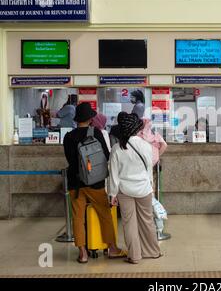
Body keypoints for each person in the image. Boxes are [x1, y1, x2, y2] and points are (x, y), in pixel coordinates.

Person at [63, 102, 126, 263]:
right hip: (95, 182)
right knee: (105, 213)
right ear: (91, 119)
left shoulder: (68, 136)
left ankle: (83, 253)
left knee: (77, 218)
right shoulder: (96, 132)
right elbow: (106, 154)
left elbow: (70, 160)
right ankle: (112, 248)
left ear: (77, 119)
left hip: (75, 184)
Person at [108, 112, 162, 264]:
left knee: (128, 223)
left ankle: (135, 256)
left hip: (124, 191)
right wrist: (150, 185)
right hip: (144, 189)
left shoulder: (116, 148)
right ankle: (153, 252)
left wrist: (112, 194)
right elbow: (149, 169)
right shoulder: (146, 146)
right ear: (136, 129)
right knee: (147, 221)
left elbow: (113, 174)